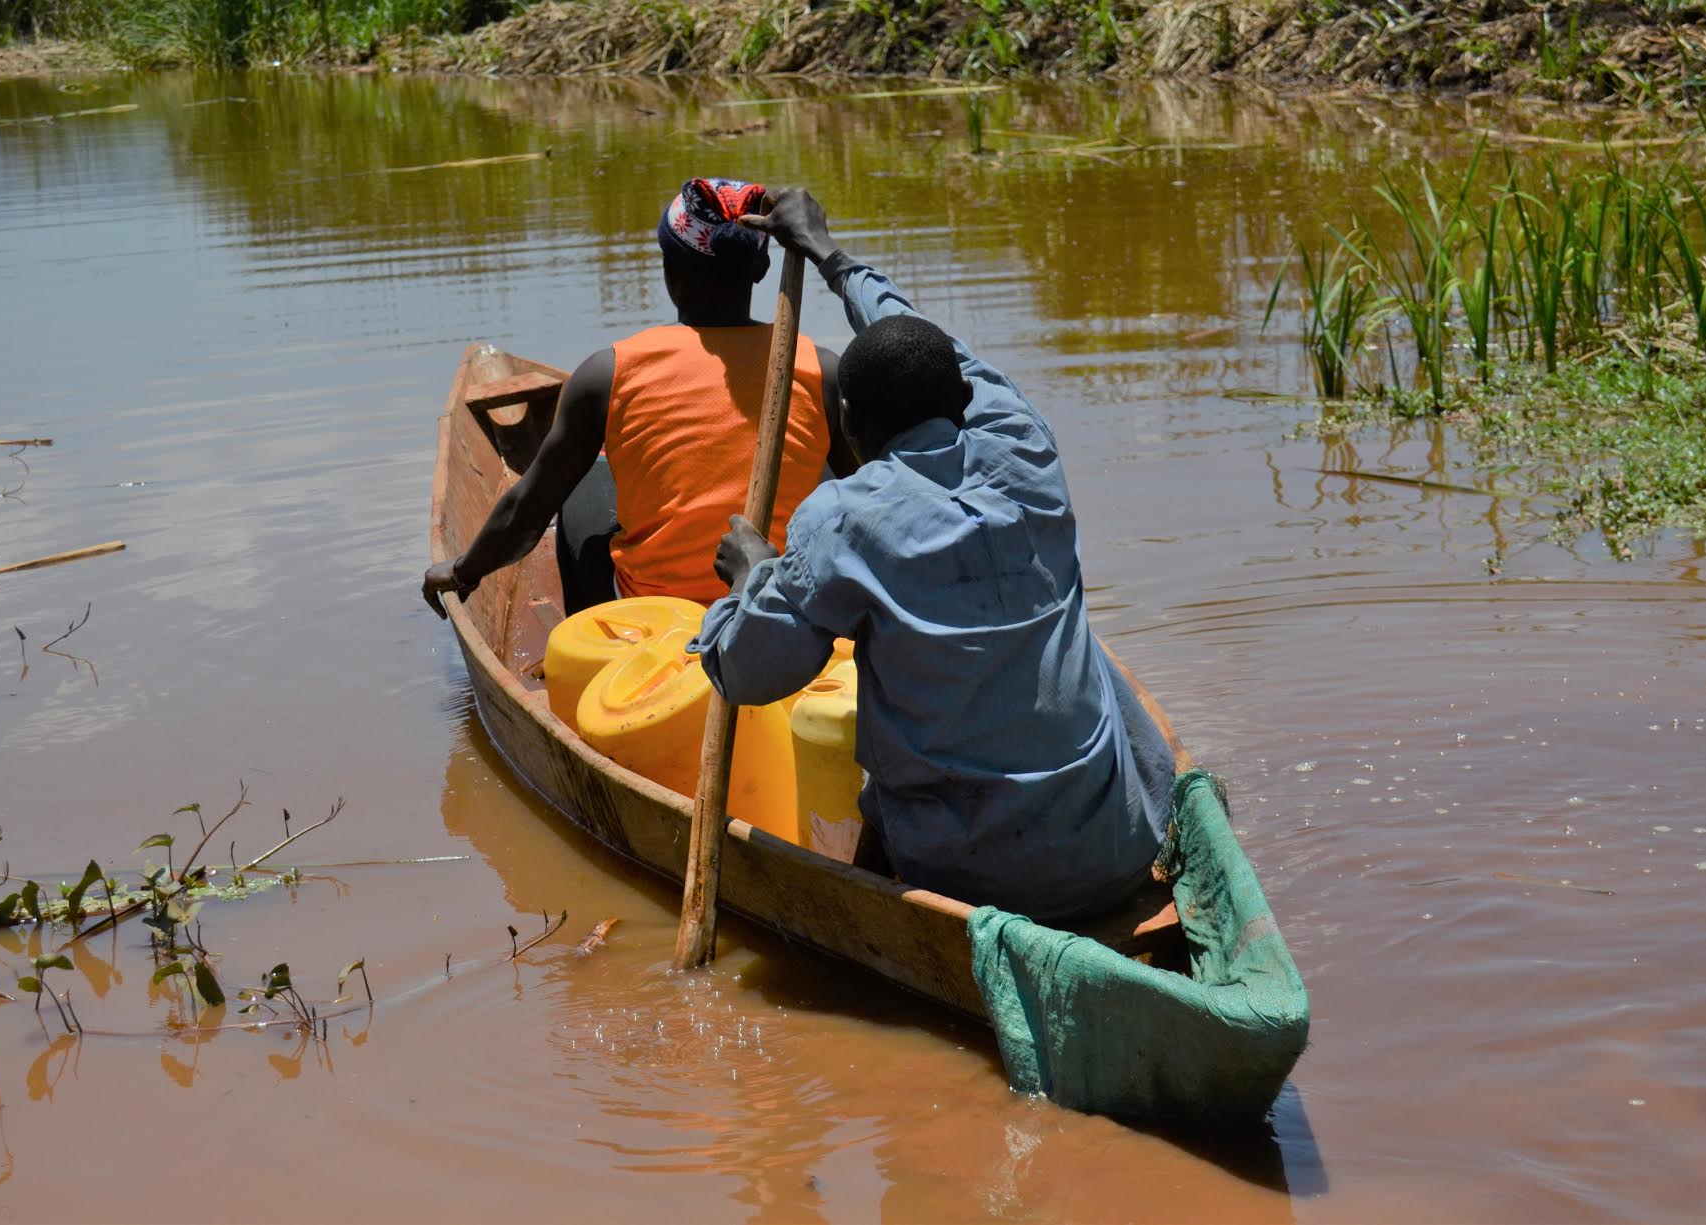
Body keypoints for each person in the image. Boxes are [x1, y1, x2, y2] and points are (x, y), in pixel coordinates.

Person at [693, 189, 1178, 923]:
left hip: (971, 880)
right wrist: (828, 253)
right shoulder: (1023, 439)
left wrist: (752, 575)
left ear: (849, 429)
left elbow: (746, 671)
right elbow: (916, 335)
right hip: (1114, 847)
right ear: (960, 395)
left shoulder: (843, 518)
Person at [423, 177, 855, 618]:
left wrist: (462, 571)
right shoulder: (820, 369)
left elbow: (526, 514)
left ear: (670, 269)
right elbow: (870, 494)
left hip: (657, 618)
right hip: (784, 608)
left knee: (581, 499)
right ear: (760, 272)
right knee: (819, 475)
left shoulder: (607, 374)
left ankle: (595, 655)